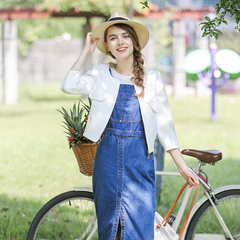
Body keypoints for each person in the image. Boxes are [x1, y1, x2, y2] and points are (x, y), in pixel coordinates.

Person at [61, 11, 199, 240]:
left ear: (134, 42)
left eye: (125, 36)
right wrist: (86, 52)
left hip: (140, 161)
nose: (120, 42)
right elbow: (68, 85)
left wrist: (182, 166)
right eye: (113, 38)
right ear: (107, 45)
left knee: (140, 229)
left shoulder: (153, 78)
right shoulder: (99, 74)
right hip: (107, 159)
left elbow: (165, 125)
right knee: (111, 227)